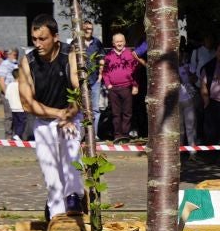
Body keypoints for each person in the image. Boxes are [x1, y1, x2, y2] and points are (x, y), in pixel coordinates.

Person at [17, 16, 85, 218]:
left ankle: (74, 199)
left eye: (42, 38)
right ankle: (56, 214)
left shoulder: (70, 55)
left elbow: (79, 90)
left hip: (71, 117)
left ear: (55, 37)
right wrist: (58, 114)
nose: (37, 44)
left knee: (71, 160)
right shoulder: (27, 62)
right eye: (34, 39)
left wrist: (70, 113)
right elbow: (27, 103)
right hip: (44, 121)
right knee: (51, 173)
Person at [101, 32, 141, 140]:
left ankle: (125, 135)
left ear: (125, 42)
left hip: (127, 87)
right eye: (117, 41)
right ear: (113, 43)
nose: (119, 43)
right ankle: (117, 135)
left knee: (127, 113)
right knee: (116, 113)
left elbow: (135, 71)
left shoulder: (130, 54)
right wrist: (108, 85)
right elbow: (105, 72)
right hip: (113, 89)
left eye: (121, 41)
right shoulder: (108, 56)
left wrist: (135, 86)